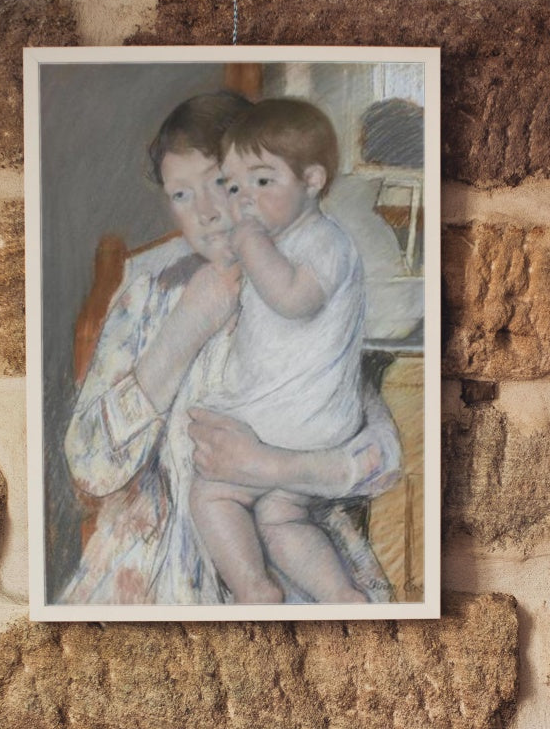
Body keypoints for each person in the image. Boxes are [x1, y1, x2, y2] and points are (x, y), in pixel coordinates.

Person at [61, 90, 401, 606]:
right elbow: (88, 467)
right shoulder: (149, 292)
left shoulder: (307, 273)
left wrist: (270, 466)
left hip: (292, 552)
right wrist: (187, 325)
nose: (207, 213)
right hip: (157, 566)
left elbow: (384, 458)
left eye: (220, 184)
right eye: (181, 195)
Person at [189, 98, 368, 605]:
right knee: (280, 515)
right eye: (233, 184)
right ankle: (339, 594)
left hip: (294, 422)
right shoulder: (287, 237)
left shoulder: (324, 241)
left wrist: (248, 242)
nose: (244, 199)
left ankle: (252, 588)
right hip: (311, 424)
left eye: (263, 181)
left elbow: (293, 299)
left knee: (211, 490)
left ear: (312, 180)